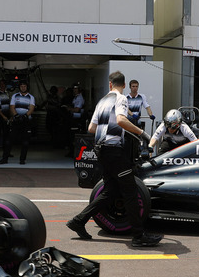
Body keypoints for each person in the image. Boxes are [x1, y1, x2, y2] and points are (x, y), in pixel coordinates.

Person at [66, 71, 163, 248]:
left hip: (100, 150)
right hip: (113, 151)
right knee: (131, 191)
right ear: (124, 86)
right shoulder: (121, 98)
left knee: (110, 191)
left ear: (110, 85)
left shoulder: (102, 101)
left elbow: (91, 128)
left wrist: (111, 131)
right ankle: (138, 236)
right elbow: (120, 120)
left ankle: (78, 221)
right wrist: (142, 133)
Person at [0, 80, 35, 165]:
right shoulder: (15, 96)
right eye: (21, 86)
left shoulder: (31, 97)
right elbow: (12, 107)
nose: (23, 88)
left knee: (25, 142)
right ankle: (4, 159)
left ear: (27, 87)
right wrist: (16, 115)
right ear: (19, 87)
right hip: (16, 120)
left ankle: (22, 160)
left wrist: (26, 115)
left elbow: (32, 108)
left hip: (26, 121)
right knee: (9, 141)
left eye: (24, 86)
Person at [63, 83, 86, 157]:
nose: (74, 90)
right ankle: (71, 151)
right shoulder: (76, 97)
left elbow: (76, 109)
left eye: (76, 89)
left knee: (73, 136)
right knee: (70, 135)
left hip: (77, 119)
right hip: (73, 118)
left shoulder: (80, 98)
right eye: (74, 89)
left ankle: (74, 153)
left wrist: (68, 108)